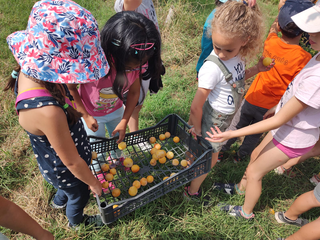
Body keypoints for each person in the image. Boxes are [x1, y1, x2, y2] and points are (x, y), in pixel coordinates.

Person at [205, 1, 320, 219]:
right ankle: (240, 188)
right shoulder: (315, 54)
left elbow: (279, 120)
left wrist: (232, 133)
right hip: (287, 124)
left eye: (317, 30)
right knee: (255, 154)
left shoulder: (318, 78)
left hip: (293, 136)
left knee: (256, 171)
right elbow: (297, 92)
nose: (309, 33)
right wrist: (279, 106)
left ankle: (246, 212)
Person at [5, 0, 108, 228]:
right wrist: (93, 184)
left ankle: (59, 201)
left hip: (52, 161)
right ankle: (77, 223)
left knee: (66, 188)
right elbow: (72, 162)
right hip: (65, 167)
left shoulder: (29, 74)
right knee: (79, 195)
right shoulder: (48, 111)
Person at [184, 1, 270, 204]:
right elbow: (196, 106)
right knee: (210, 158)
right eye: (217, 47)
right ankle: (191, 192)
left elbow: (236, 80)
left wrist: (256, 70)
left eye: (228, 50)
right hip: (216, 119)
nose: (222, 53)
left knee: (203, 153)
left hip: (224, 117)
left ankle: (187, 169)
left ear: (245, 40)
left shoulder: (237, 56)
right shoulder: (212, 68)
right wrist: (196, 129)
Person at [219, 0, 313, 163]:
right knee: (254, 135)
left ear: (279, 27)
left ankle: (220, 151)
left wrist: (279, 17)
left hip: (252, 97)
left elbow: (272, 29)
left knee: (236, 125)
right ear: (303, 32)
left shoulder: (271, 41)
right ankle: (240, 157)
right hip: (271, 108)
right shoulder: (304, 58)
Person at [67, 11, 162, 172]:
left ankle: (116, 160)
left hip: (116, 110)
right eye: (128, 67)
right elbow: (71, 89)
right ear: (112, 53)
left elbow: (133, 93)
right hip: (92, 113)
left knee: (118, 139)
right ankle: (98, 171)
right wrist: (85, 115)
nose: (132, 71)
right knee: (97, 147)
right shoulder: (92, 65)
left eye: (135, 68)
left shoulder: (138, 62)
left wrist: (125, 120)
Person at [114, 0, 164, 133]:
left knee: (138, 101)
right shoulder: (131, 3)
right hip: (134, 59)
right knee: (133, 101)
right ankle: (132, 133)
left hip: (146, 56)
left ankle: (133, 131)